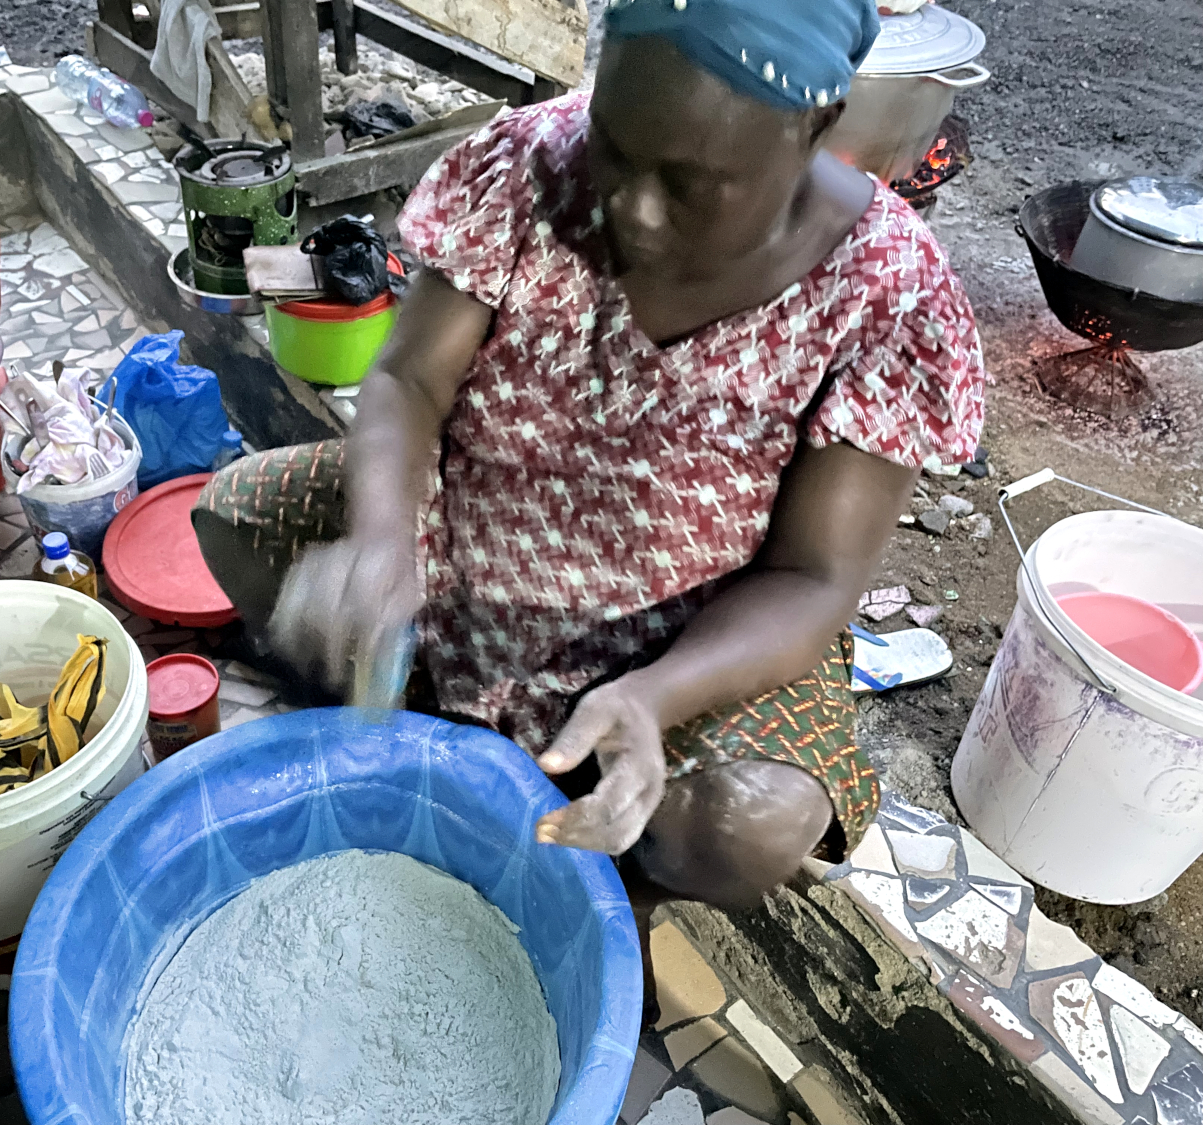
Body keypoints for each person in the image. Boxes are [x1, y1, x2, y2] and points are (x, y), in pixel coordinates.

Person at [194, 0, 983, 1002]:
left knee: (744, 826)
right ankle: (432, 726)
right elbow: (407, 383)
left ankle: (599, 905)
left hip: (689, 627)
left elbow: (816, 577)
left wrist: (654, 695)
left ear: (817, 127)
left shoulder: (884, 288)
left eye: (694, 184)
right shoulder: (529, 167)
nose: (634, 210)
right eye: (615, 149)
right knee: (236, 515)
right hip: (468, 539)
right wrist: (385, 542)